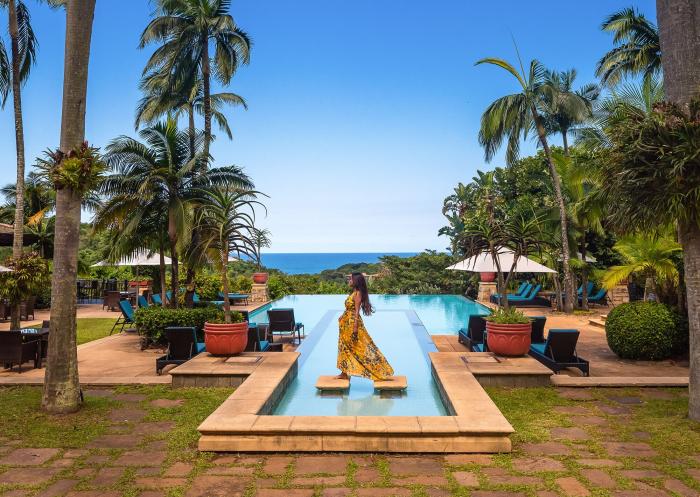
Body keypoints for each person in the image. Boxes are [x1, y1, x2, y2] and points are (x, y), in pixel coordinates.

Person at [336, 272, 394, 381]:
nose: (349, 281)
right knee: (344, 347)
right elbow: (349, 309)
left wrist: (355, 326)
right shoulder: (353, 292)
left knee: (362, 348)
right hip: (345, 325)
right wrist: (342, 316)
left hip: (352, 324)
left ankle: (382, 370)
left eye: (351, 279)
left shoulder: (358, 293)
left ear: (356, 281)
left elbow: (357, 311)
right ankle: (344, 372)